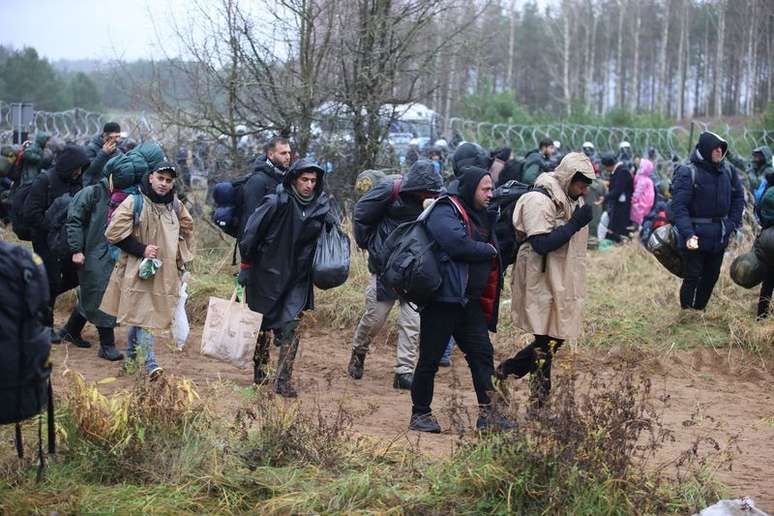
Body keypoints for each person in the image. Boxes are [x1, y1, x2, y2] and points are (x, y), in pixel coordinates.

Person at [409, 166, 515, 434]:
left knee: (482, 355)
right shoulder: (445, 210)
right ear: (470, 188)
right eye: (485, 189)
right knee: (430, 359)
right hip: (442, 301)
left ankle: (489, 415)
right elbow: (457, 245)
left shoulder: (483, 215)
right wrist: (489, 250)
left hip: (469, 302)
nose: (490, 194)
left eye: (491, 189)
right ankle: (420, 414)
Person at [496, 153, 595, 408]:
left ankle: (508, 375)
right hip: (538, 276)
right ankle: (535, 398)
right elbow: (541, 243)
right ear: (569, 178)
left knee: (554, 336)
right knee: (546, 339)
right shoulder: (538, 200)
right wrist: (575, 223)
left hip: (558, 276)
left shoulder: (568, 198)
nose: (584, 191)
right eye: (581, 185)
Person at [238, 159, 330, 397]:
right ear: (294, 180)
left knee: (292, 326)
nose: (309, 185)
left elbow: (327, 240)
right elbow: (251, 234)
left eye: (313, 180)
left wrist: (331, 228)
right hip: (266, 274)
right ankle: (260, 371)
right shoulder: (275, 202)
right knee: (263, 325)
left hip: (298, 278)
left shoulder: (321, 208)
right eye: (304, 179)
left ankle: (283, 379)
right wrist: (246, 265)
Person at [349, 160, 443, 389]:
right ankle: (359, 352)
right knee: (375, 318)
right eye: (426, 192)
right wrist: (372, 246)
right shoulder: (391, 188)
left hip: (415, 270)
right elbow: (361, 214)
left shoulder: (436, 199)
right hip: (385, 267)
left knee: (412, 321)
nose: (429, 195)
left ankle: (404, 371)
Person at [101, 163, 195, 379]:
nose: (164, 184)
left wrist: (179, 257)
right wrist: (141, 249)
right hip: (138, 270)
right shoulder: (134, 202)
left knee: (140, 315)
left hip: (165, 271)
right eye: (160, 178)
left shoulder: (176, 206)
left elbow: (188, 230)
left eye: (168, 180)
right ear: (151, 177)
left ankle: (131, 361)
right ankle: (150, 363)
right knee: (146, 315)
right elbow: (113, 233)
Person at [671, 131, 744, 312]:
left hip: (720, 235)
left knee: (711, 276)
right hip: (695, 235)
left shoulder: (728, 171)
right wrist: (688, 233)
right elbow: (679, 207)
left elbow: (738, 198)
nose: (719, 151)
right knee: (692, 276)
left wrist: (731, 224)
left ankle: (699, 310)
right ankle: (687, 312)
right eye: (715, 148)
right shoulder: (688, 172)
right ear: (706, 149)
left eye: (722, 148)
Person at [24, 144, 89, 343]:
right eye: (76, 168)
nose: (79, 172)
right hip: (44, 240)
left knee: (75, 275)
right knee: (51, 280)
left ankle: (36, 297)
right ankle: (46, 327)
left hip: (66, 240)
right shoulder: (45, 180)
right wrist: (51, 226)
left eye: (81, 169)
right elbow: (30, 213)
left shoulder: (75, 181)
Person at [63, 168, 126, 362]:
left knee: (92, 293)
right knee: (101, 293)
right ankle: (107, 345)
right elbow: (73, 220)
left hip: (108, 253)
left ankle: (71, 330)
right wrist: (76, 249)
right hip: (91, 253)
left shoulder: (124, 196)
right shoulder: (93, 194)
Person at [239, 136, 292, 236]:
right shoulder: (257, 180)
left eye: (289, 152)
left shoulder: (287, 178)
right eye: (283, 153)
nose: (288, 157)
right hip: (259, 242)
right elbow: (250, 220)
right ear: (271, 155)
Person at [755, 171, 774, 319]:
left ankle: (762, 315)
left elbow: (760, 213)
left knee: (769, 279)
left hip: (767, 236)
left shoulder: (768, 189)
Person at [602, 152, 633, 242]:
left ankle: (620, 242)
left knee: (619, 228)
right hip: (619, 204)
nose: (605, 169)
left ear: (608, 165)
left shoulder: (622, 171)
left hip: (623, 206)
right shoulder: (618, 171)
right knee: (614, 227)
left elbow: (618, 190)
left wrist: (605, 198)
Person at [83, 122, 123, 187]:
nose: (117, 140)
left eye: (118, 136)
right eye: (113, 137)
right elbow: (88, 171)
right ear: (105, 136)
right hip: (94, 187)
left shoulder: (117, 150)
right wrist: (104, 153)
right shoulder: (90, 148)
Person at [629, 158, 656, 230]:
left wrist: (633, 199)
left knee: (636, 214)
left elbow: (638, 191)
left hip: (641, 201)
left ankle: (635, 228)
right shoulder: (648, 179)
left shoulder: (642, 179)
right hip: (647, 203)